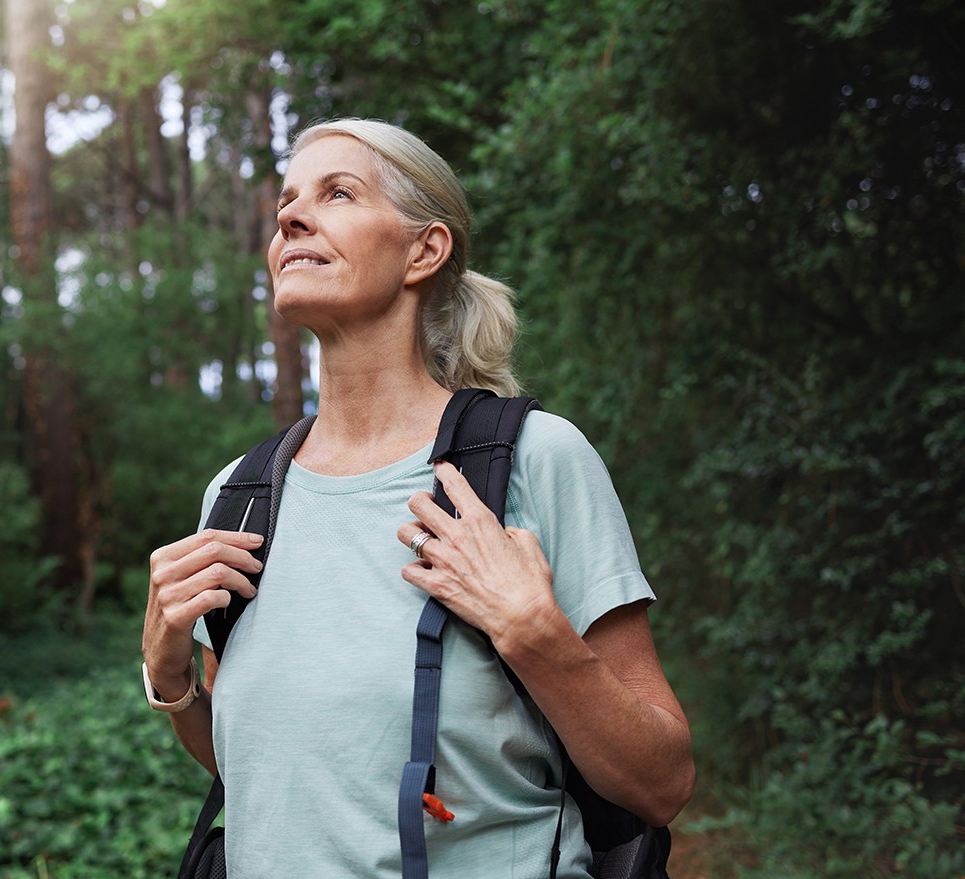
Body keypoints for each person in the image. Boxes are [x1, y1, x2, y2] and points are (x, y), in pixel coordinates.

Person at [141, 118, 694, 878]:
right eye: (287, 203)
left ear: (424, 250)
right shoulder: (240, 494)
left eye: (337, 193)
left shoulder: (531, 460)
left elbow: (662, 783)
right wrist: (171, 680)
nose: (289, 217)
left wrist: (534, 635)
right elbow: (278, 775)